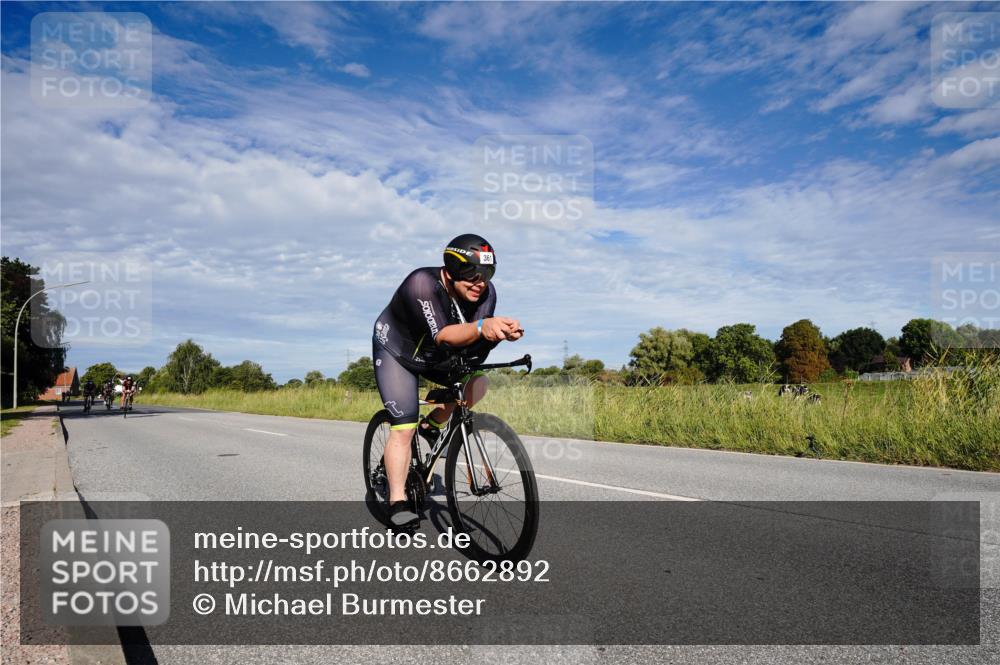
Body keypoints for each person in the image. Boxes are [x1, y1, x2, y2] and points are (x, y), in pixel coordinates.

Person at [372, 234, 523, 528]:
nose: (480, 282)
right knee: (403, 427)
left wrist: (498, 334)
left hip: (435, 355)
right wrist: (483, 327)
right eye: (471, 274)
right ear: (451, 270)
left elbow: (470, 343)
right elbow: (444, 334)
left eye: (488, 274)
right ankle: (397, 500)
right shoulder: (422, 284)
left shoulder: (486, 294)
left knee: (477, 383)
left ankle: (431, 426)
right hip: (398, 353)